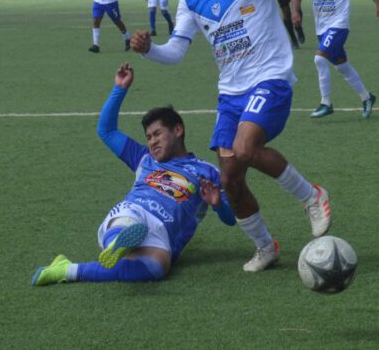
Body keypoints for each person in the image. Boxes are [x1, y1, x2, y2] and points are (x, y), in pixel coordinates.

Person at [130, 0, 379, 272]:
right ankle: (265, 247)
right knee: (229, 180)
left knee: (245, 148)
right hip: (230, 94)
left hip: (270, 78)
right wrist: (149, 50)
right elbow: (176, 50)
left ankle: (311, 196)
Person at [32, 63, 236, 286]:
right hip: (135, 211)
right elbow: (106, 131)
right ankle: (117, 242)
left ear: (178, 130)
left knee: (157, 268)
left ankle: (67, 268)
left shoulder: (208, 172)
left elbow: (231, 219)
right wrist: (119, 89)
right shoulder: (143, 158)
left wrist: (217, 204)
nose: (152, 142)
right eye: (148, 137)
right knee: (128, 221)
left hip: (163, 235)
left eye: (157, 134)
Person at [291, 0, 379, 119]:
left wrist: (378, 4)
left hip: (338, 26)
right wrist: (296, 11)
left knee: (319, 60)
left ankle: (326, 103)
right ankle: (367, 97)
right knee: (342, 67)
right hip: (322, 29)